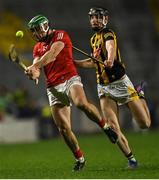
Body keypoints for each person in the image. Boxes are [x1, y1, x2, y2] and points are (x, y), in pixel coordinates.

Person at [25, 14, 118, 171]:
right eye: (32, 31)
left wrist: (36, 66)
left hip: (70, 78)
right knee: (63, 128)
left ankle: (105, 127)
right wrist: (33, 73)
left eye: (36, 30)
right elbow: (37, 67)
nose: (35, 34)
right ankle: (80, 158)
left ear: (45, 26)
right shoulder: (37, 47)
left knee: (81, 103)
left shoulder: (60, 35)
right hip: (53, 87)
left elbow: (52, 54)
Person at [74, 7, 151, 169]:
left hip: (121, 84)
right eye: (92, 17)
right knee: (113, 126)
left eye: (98, 17)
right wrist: (75, 63)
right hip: (103, 88)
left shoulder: (108, 33)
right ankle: (131, 159)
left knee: (144, 124)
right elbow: (93, 63)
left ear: (105, 19)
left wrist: (109, 59)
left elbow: (110, 48)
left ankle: (140, 93)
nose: (94, 20)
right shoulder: (93, 39)